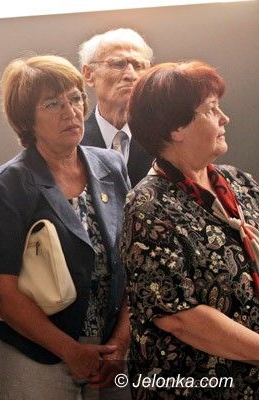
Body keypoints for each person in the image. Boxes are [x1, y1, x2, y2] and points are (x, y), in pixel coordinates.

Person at [0, 55, 131, 400]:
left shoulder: (111, 164)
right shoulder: (9, 183)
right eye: (52, 103)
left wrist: (121, 341)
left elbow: (134, 260)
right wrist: (69, 350)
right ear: (26, 120)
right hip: (33, 349)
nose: (70, 111)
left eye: (75, 98)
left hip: (109, 347)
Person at [122, 61, 259, 399]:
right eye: (211, 109)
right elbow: (179, 317)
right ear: (175, 129)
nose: (225, 118)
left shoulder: (239, 182)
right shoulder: (148, 205)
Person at [79, 28, 154, 187]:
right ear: (88, 74)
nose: (131, 75)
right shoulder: (72, 143)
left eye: (138, 65)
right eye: (118, 64)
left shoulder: (164, 141)